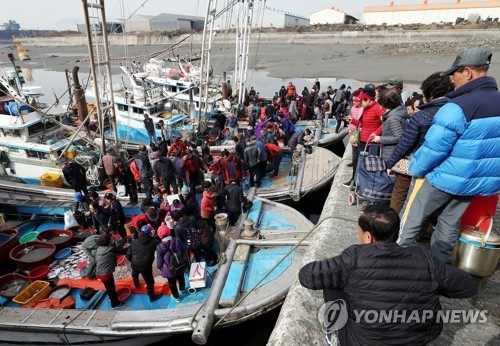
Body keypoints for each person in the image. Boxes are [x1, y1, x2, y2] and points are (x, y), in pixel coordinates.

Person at [299, 205, 477, 346]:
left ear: (368, 237)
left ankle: (335, 335)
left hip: (363, 342)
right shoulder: (424, 257)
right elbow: (468, 287)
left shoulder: (353, 257)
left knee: (332, 281)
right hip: (418, 339)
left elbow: (307, 275)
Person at [398, 47, 500, 263]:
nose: (452, 80)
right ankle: (439, 271)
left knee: (410, 222)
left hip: (443, 177)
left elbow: (434, 148)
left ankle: (396, 264)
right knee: (448, 226)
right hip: (473, 182)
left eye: (455, 73)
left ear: (468, 73)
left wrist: (415, 168)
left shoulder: (458, 106)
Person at [386, 73, 454, 214]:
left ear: (429, 95)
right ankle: (421, 231)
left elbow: (405, 142)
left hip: (413, 162)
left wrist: (391, 163)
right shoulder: (455, 114)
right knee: (424, 202)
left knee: (399, 194)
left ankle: (392, 225)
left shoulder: (421, 115)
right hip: (439, 167)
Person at [343, 86, 384, 188]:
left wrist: (376, 133)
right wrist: (351, 120)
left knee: (368, 166)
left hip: (371, 142)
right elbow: (362, 124)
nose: (360, 103)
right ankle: (357, 183)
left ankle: (365, 187)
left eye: (362, 101)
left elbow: (386, 122)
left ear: (368, 100)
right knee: (359, 163)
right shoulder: (366, 109)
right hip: (362, 140)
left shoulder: (377, 108)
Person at [369, 88, 409, 163]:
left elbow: (399, 137)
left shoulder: (392, 118)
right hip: (396, 152)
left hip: (391, 154)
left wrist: (380, 139)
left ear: (384, 104)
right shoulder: (399, 111)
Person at [126, 225, 162, 302]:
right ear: (149, 233)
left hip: (135, 264)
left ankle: (137, 285)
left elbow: (128, 255)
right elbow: (161, 246)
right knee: (149, 281)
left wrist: (133, 261)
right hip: (146, 266)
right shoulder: (154, 242)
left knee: (135, 274)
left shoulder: (134, 242)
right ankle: (152, 297)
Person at [96, 232, 128, 308]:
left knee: (109, 288)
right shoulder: (110, 249)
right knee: (111, 289)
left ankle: (112, 297)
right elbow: (123, 251)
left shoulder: (99, 248)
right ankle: (115, 304)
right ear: (109, 241)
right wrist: (133, 245)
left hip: (99, 272)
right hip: (106, 274)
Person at [156, 225, 187, 303]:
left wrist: (159, 267)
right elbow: (184, 249)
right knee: (181, 278)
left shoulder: (160, 246)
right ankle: (183, 290)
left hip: (169, 268)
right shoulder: (177, 240)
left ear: (159, 235)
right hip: (180, 264)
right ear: (169, 231)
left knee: (172, 283)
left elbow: (159, 260)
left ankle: (176, 297)